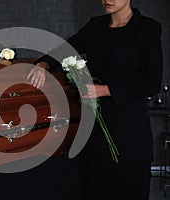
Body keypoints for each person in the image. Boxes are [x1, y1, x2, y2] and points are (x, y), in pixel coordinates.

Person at [27, 0, 163, 199]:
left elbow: (151, 83)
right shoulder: (95, 26)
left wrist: (104, 90)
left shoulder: (148, 28)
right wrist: (44, 64)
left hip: (130, 135)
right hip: (96, 134)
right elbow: (67, 49)